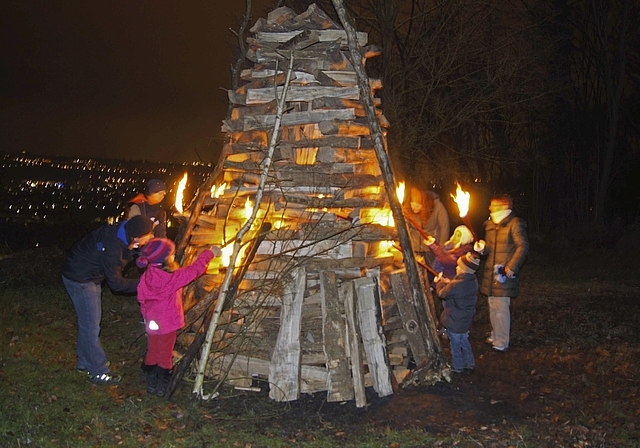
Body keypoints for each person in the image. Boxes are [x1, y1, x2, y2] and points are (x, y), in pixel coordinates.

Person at [61, 215, 155, 385]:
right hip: (80, 278)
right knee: (90, 325)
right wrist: (144, 284)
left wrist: (139, 253)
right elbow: (117, 284)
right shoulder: (112, 247)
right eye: (149, 235)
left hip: (86, 274)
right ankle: (98, 371)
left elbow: (127, 249)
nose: (152, 237)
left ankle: (85, 362)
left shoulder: (122, 231)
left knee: (88, 322)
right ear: (136, 237)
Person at [136, 239, 222, 397]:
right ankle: (162, 382)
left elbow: (141, 297)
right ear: (167, 259)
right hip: (168, 322)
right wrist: (210, 253)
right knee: (165, 352)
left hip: (152, 322)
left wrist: (147, 315)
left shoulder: (147, 275)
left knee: (153, 349)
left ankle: (151, 381)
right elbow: (194, 270)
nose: (174, 255)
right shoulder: (172, 278)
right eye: (172, 254)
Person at [479, 194, 529, 352]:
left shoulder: (514, 224)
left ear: (503, 206)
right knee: (493, 306)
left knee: (501, 308)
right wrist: (482, 248)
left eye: (492, 205)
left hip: (504, 274)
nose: (489, 208)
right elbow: (489, 249)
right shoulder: (491, 225)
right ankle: (495, 334)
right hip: (491, 272)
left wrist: (512, 266)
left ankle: (502, 341)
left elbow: (523, 247)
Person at [435, 251, 480, 373]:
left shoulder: (456, 285)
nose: (456, 267)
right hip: (465, 320)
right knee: (464, 341)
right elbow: (457, 288)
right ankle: (470, 363)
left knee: (455, 345)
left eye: (459, 266)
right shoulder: (472, 282)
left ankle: (457, 366)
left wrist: (439, 282)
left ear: (464, 270)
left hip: (454, 320)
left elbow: (442, 294)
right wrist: (448, 283)